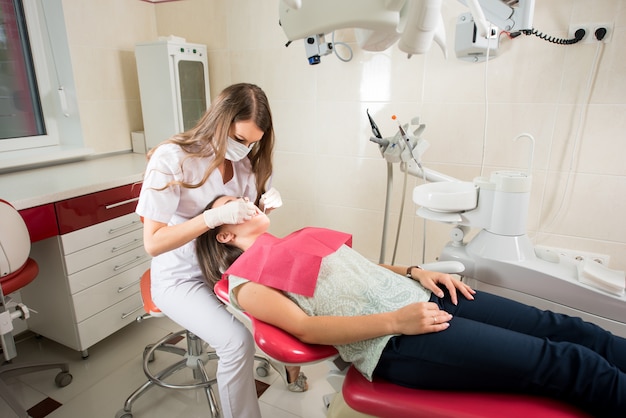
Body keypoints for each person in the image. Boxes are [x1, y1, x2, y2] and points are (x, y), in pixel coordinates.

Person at [196, 195, 626, 418]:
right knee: (570, 363)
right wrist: (397, 319)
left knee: (572, 329)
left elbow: (362, 269)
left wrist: (416, 270)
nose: (245, 202)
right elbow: (306, 329)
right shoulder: (245, 283)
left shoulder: (293, 240)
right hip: (396, 340)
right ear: (224, 234)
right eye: (230, 208)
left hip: (425, 297)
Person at [135, 83, 307, 418]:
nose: (245, 149)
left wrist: (264, 206)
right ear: (220, 120)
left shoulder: (245, 164)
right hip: (181, 278)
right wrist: (210, 218)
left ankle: (293, 369)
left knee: (292, 299)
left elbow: (241, 223)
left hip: (227, 268)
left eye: (254, 142)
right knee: (236, 341)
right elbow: (152, 243)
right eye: (241, 139)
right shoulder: (173, 159)